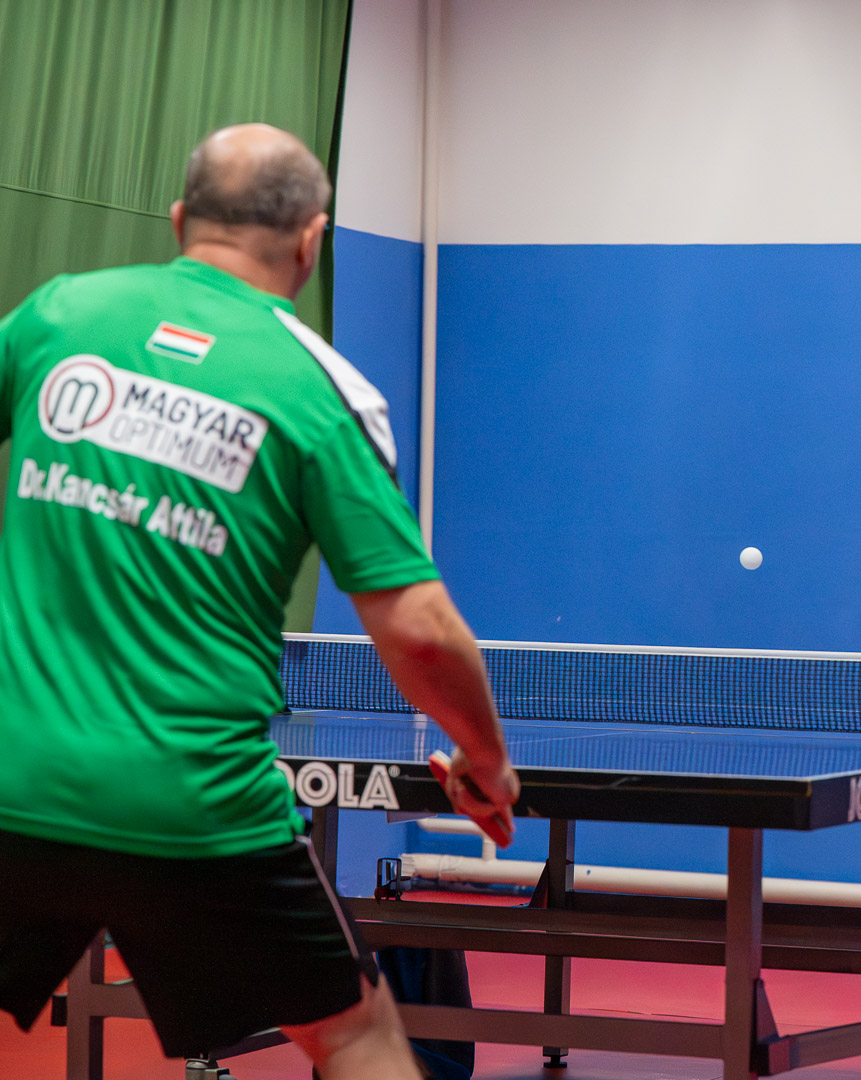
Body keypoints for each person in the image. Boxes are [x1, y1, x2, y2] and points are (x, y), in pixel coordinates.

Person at [0, 124, 520, 1080]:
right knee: (354, 1035)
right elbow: (419, 631)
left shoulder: (60, 313)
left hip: (14, 779)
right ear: (311, 240)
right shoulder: (324, 395)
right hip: (200, 809)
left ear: (180, 219)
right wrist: (484, 761)